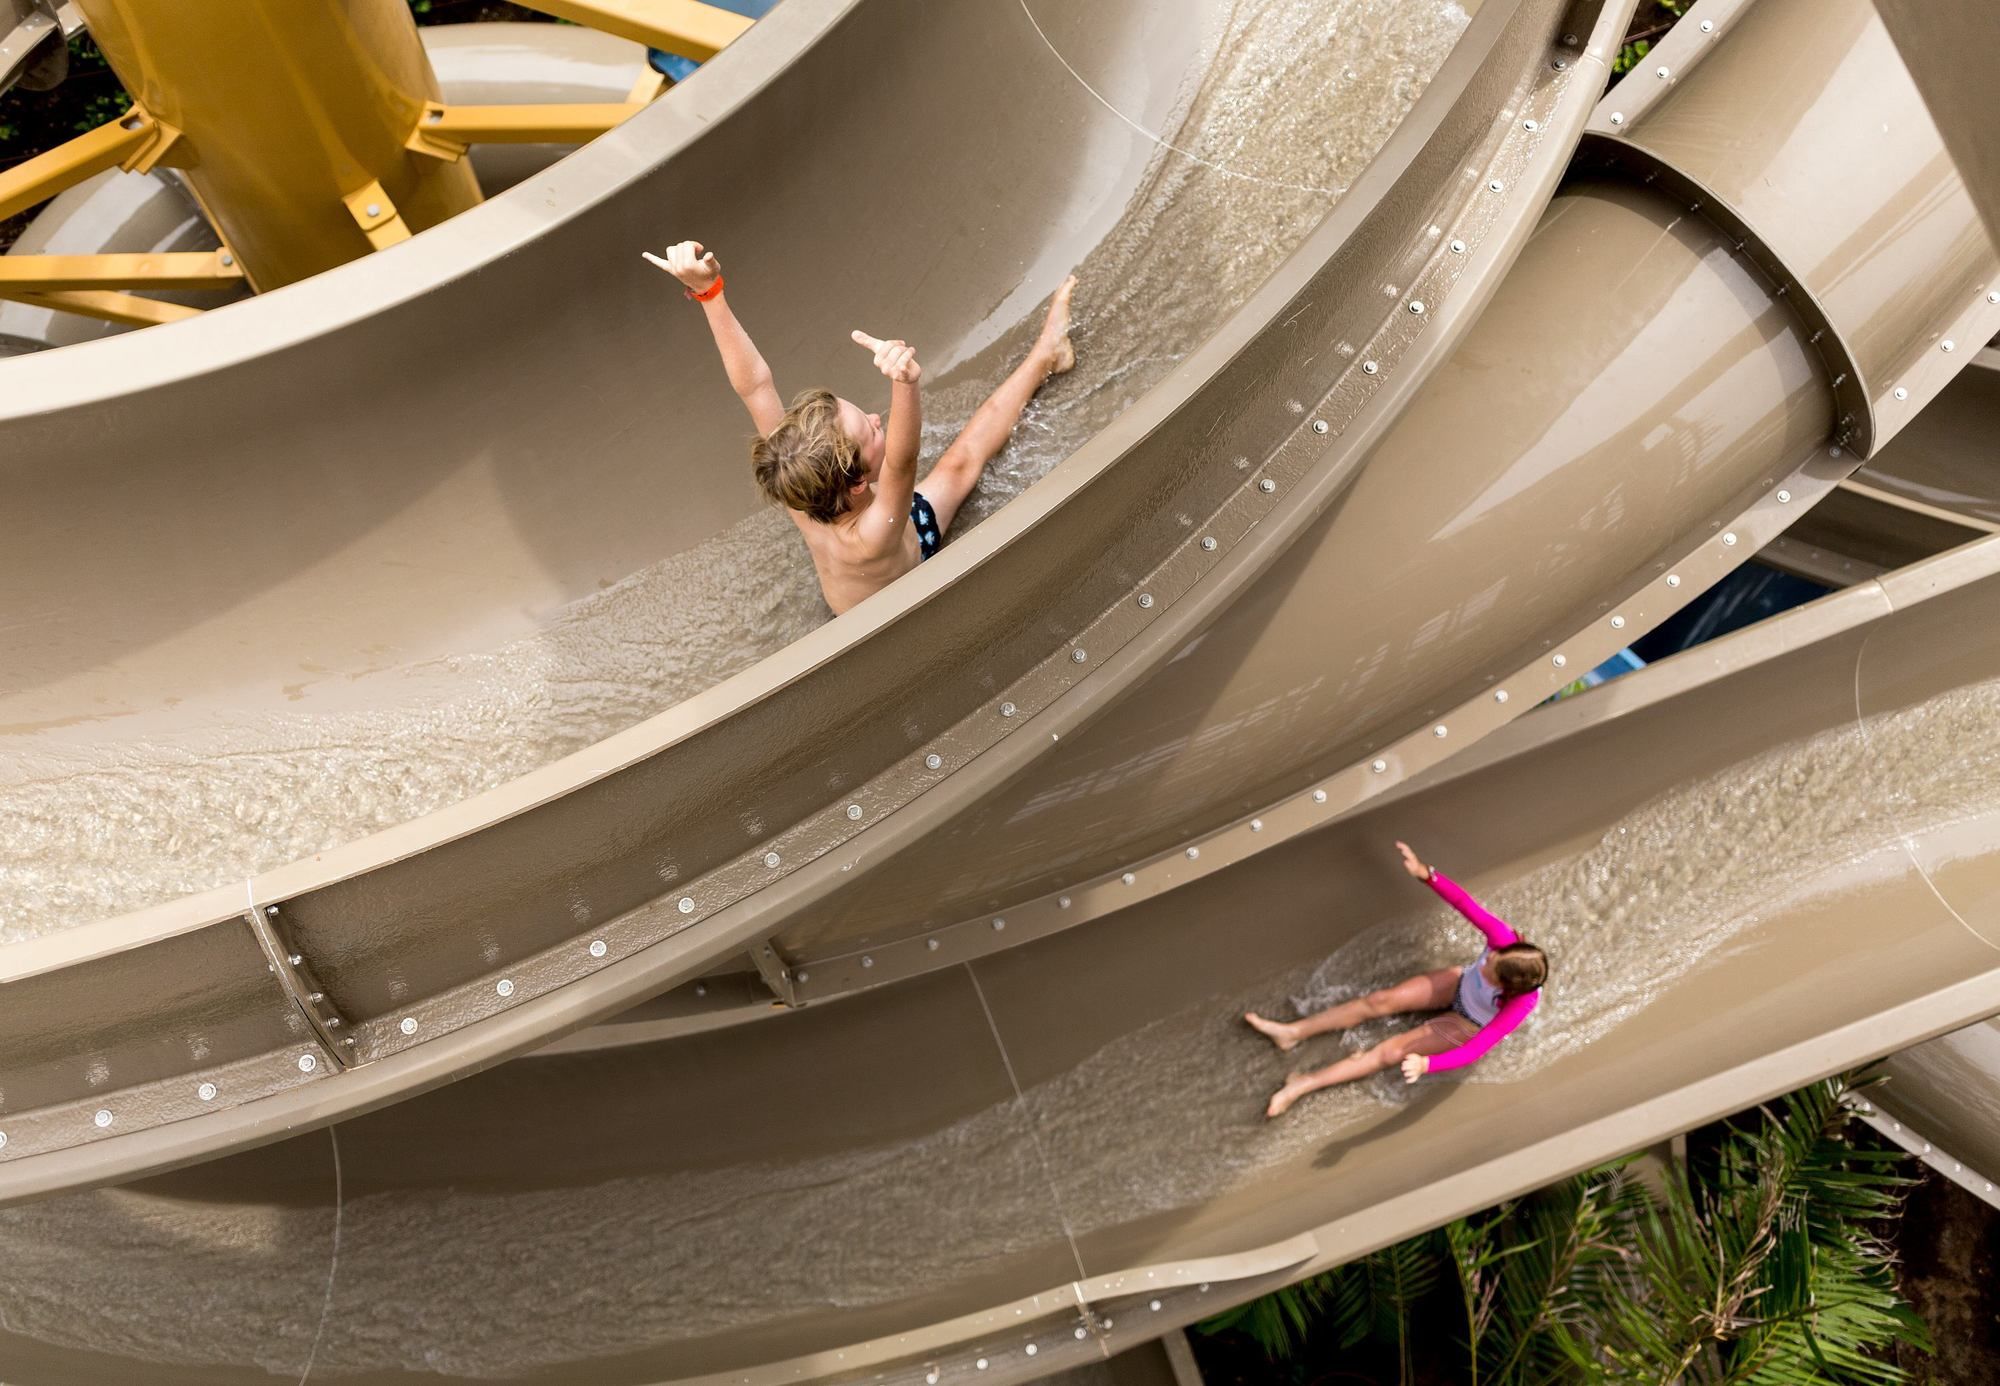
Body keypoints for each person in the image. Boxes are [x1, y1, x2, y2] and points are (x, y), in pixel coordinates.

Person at [648, 240, 1077, 614]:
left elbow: (755, 386)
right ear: (856, 483)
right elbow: (902, 462)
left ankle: (1047, 354)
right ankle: (1045, 355)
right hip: (901, 573)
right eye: (871, 431)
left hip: (895, 540)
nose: (876, 420)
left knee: (962, 461)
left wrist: (711, 294)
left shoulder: (798, 486)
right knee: (961, 465)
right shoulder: (871, 534)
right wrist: (905, 383)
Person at [1247, 841, 1548, 1118]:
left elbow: (1473, 1050)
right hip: (1458, 983)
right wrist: (1426, 874)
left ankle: (1301, 1084)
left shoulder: (1519, 1004)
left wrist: (1426, 1064)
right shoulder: (1503, 941)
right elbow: (1465, 903)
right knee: (1379, 1001)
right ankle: (1292, 1032)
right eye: (1492, 956)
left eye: (1491, 969)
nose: (1489, 958)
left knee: (1391, 1052)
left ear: (1504, 987)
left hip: (1469, 1021)